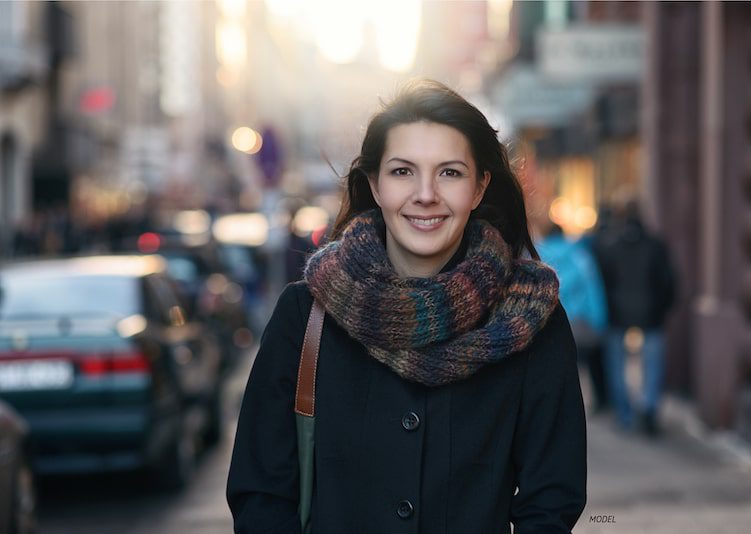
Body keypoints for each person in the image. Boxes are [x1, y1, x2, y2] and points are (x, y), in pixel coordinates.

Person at [227, 79, 587, 533]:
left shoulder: (530, 318)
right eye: (402, 171)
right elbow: (261, 494)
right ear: (375, 185)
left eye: (450, 172)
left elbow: (551, 502)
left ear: (478, 189)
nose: (425, 194)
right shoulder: (304, 316)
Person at [601, 201, 676, 436]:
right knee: (651, 365)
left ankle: (625, 414)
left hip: (617, 316)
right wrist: (662, 309)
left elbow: (604, 284)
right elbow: (669, 281)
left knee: (618, 366)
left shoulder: (611, 247)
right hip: (651, 315)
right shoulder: (656, 245)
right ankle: (649, 409)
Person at [538, 222, 609, 414]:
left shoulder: (537, 254)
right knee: (585, 365)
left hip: (547, 322)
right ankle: (587, 403)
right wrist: (599, 319)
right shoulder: (579, 255)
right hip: (580, 321)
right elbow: (592, 287)